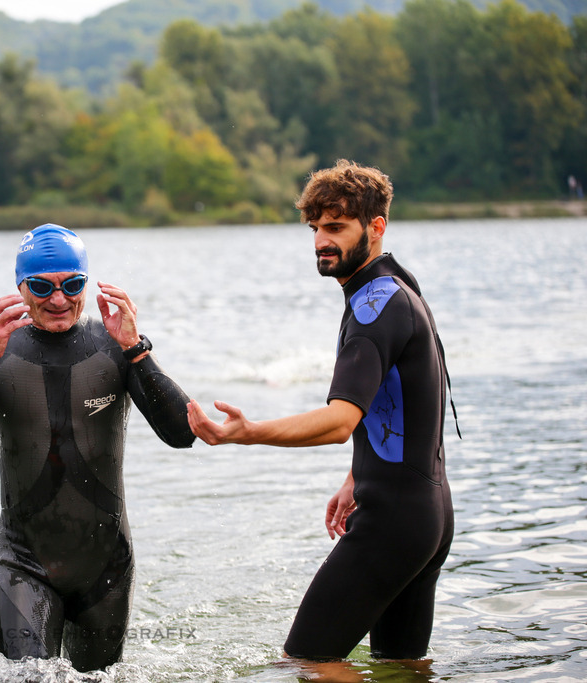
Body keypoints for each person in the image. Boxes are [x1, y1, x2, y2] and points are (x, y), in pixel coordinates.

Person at [187, 160, 457, 663]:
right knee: (401, 669)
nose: (320, 241)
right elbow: (406, 401)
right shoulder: (399, 288)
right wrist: (359, 475)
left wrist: (247, 433)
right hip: (429, 513)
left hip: (395, 522)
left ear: (376, 228)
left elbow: (339, 422)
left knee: (308, 663)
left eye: (336, 227)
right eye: (315, 229)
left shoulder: (374, 306)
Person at [0, 224, 195, 672]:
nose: (59, 299)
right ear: (20, 287)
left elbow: (182, 433)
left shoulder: (117, 348)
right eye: (42, 287)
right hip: (22, 563)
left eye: (73, 284)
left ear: (86, 282)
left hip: (105, 566)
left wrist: (136, 348)